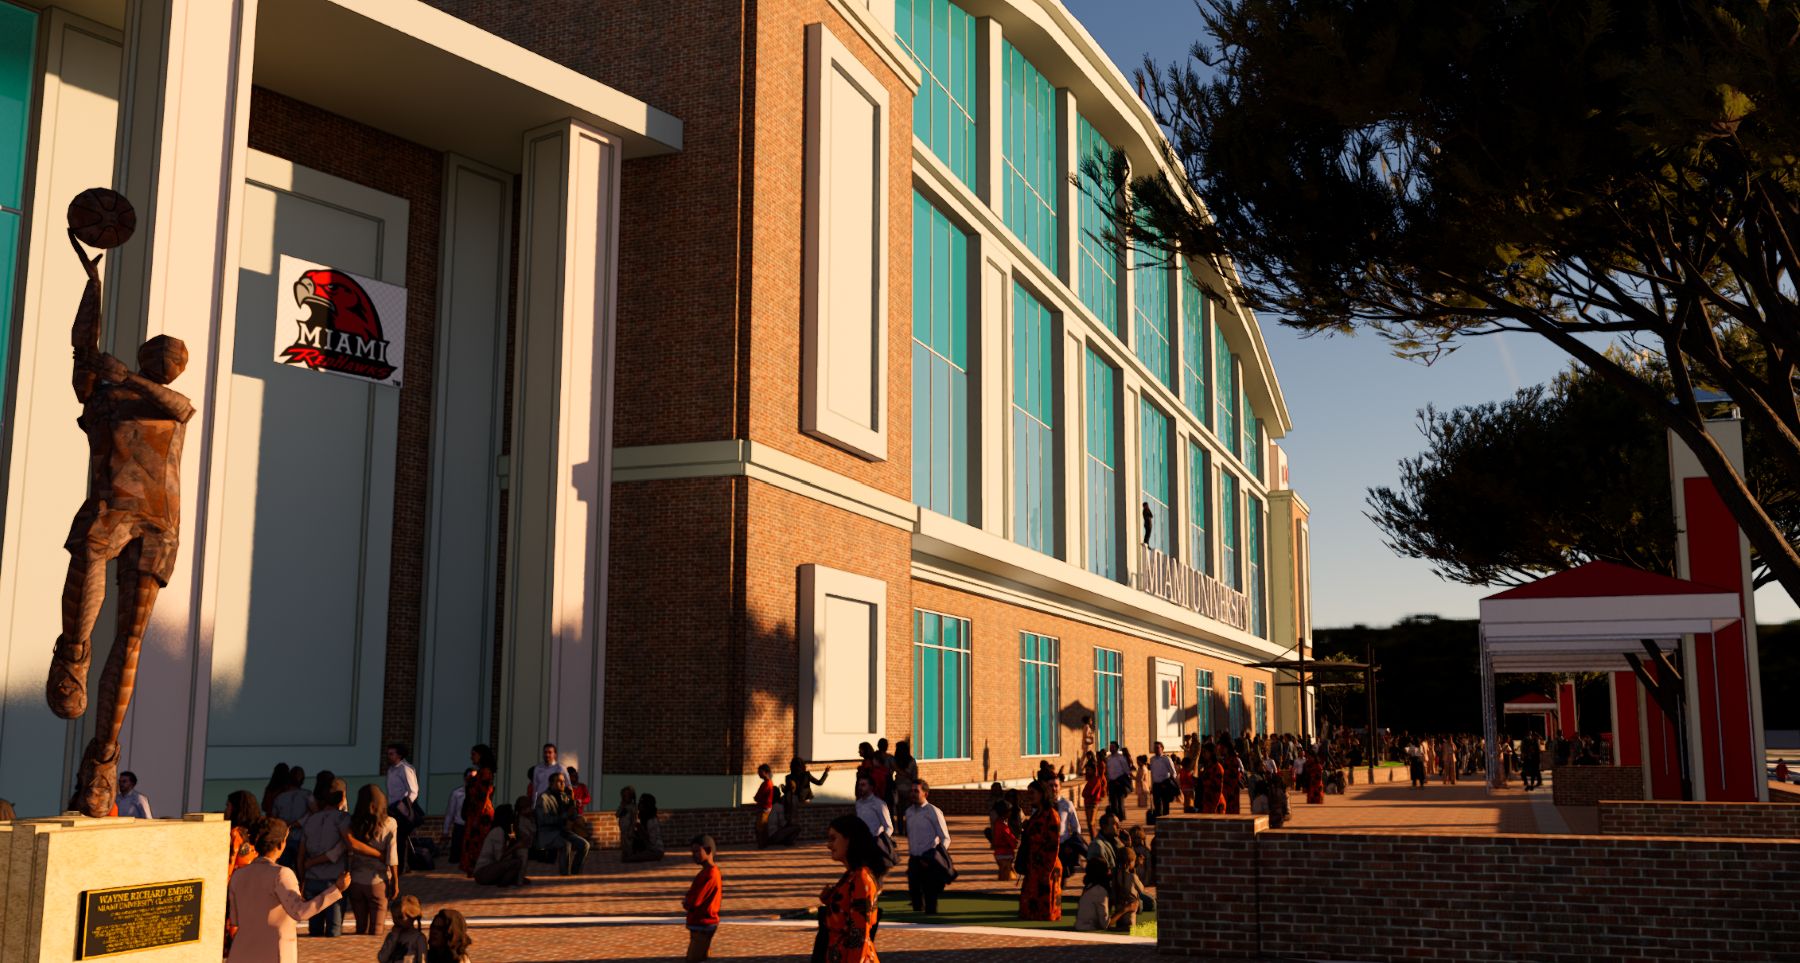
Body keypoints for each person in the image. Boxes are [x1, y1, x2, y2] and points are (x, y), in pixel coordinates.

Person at [225, 817, 349, 963]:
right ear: (281, 844)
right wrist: (336, 889)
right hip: (274, 952)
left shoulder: (238, 875)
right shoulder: (281, 874)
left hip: (241, 952)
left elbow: (235, 919)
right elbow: (300, 912)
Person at [817, 814, 882, 963]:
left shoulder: (861, 879)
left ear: (849, 840)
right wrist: (829, 900)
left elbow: (859, 935)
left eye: (833, 838)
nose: (828, 845)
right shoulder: (851, 876)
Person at [341, 784, 398, 936]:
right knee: (376, 930)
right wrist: (395, 882)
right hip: (378, 880)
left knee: (360, 928)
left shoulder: (351, 823)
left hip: (356, 880)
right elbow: (392, 856)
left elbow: (349, 845)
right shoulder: (390, 823)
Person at [294, 779, 349, 937]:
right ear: (342, 797)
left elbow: (301, 854)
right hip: (334, 880)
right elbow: (343, 847)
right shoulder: (343, 819)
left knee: (315, 931)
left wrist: (302, 878)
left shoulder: (311, 820)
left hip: (312, 878)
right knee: (334, 932)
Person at [1016, 779, 1062, 921]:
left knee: (1045, 905)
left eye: (1032, 793)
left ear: (1042, 794)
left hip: (1047, 865)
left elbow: (1054, 844)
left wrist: (1046, 871)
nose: (1029, 796)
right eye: (1028, 793)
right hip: (1033, 865)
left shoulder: (1051, 815)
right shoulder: (1037, 814)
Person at [901, 781, 950, 914]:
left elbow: (945, 838)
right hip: (914, 860)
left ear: (925, 793)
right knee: (915, 896)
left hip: (929, 860)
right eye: (911, 791)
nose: (912, 794)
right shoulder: (909, 812)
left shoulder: (933, 811)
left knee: (930, 898)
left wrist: (935, 856)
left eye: (916, 791)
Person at [535, 771, 590, 875]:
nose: (563, 784)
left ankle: (575, 873)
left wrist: (572, 800)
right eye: (559, 781)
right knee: (566, 844)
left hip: (561, 831)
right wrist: (565, 815)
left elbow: (572, 817)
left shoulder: (564, 796)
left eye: (564, 781)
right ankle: (564, 874)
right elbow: (544, 820)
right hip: (548, 832)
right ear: (551, 783)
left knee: (584, 845)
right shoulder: (544, 798)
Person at [682, 834, 722, 962]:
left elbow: (696, 900)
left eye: (697, 851)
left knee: (694, 958)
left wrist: (687, 902)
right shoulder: (707, 872)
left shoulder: (709, 874)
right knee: (701, 956)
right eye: (692, 852)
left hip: (703, 923)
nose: (694, 855)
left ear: (708, 851)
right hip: (701, 923)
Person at [460, 744, 496, 875]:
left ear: (481, 756)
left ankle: (478, 868)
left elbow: (483, 795)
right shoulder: (481, 772)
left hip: (481, 814)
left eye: (473, 754)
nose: (471, 757)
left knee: (478, 841)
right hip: (476, 812)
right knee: (473, 841)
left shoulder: (485, 772)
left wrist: (477, 817)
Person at [384, 744, 420, 875]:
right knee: (394, 838)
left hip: (401, 809)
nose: (389, 756)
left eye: (391, 753)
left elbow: (413, 791)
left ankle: (402, 867)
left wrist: (404, 806)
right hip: (392, 808)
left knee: (401, 838)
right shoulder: (391, 770)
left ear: (399, 755)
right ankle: (399, 865)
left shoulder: (405, 769)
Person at [473, 803, 529, 886]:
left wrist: (514, 829)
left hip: (492, 869)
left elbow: (513, 841)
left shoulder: (506, 830)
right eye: (511, 814)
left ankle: (513, 879)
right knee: (516, 862)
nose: (513, 816)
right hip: (483, 872)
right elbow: (499, 857)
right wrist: (516, 846)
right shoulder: (498, 831)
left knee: (520, 855)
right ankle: (505, 882)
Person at [376, 894, 427, 963]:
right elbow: (382, 958)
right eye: (394, 917)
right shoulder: (391, 936)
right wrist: (393, 938)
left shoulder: (418, 938)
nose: (396, 921)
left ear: (412, 917)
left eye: (400, 917)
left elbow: (422, 960)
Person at [622, 793, 665, 862]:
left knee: (628, 859)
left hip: (655, 851)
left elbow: (652, 841)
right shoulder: (644, 818)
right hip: (649, 849)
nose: (639, 805)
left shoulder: (651, 821)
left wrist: (641, 829)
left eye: (642, 803)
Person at [444, 767, 475, 859]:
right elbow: (450, 812)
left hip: (472, 827)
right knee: (456, 856)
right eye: (470, 777)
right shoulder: (457, 794)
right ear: (465, 778)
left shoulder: (478, 794)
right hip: (460, 827)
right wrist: (446, 830)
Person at [889, 741, 918, 831]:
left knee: (899, 811)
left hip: (898, 788)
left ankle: (900, 829)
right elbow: (915, 776)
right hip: (909, 789)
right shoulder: (912, 761)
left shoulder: (895, 761)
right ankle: (908, 830)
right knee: (909, 811)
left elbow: (890, 773)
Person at [989, 793, 1018, 881]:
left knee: (1002, 869)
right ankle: (1003, 881)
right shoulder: (1003, 826)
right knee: (1006, 870)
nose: (1011, 813)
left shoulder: (997, 823)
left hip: (999, 851)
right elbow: (1009, 837)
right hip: (1005, 852)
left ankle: (1002, 879)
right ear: (1005, 813)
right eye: (1009, 811)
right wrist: (1015, 842)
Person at [1146, 742, 1177, 821]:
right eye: (1155, 748)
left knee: (1165, 804)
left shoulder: (1166, 759)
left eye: (1158, 747)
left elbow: (1174, 773)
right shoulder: (1152, 759)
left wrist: (1168, 783)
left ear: (1162, 748)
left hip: (1164, 784)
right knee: (1157, 805)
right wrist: (1152, 786)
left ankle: (1166, 821)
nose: (1156, 749)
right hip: (1156, 785)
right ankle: (1159, 821)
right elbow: (1152, 774)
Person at [1102, 743, 1132, 820]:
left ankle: (1121, 817)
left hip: (1119, 782)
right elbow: (1107, 771)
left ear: (1117, 748)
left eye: (1112, 747)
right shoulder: (1108, 758)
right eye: (1110, 747)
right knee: (1113, 801)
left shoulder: (1121, 758)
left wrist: (1127, 780)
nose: (1111, 748)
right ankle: (1115, 817)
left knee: (1120, 800)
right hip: (1111, 782)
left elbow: (1126, 770)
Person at [752, 764, 777, 847]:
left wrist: (756, 798)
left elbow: (758, 796)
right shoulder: (768, 783)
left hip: (764, 808)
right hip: (766, 807)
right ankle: (763, 843)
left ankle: (762, 844)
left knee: (760, 827)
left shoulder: (766, 784)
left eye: (760, 772)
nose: (758, 773)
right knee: (763, 827)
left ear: (765, 772)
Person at [1081, 753, 1105, 834]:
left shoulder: (1095, 780)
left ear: (1093, 770)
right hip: (1088, 803)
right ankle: (1093, 839)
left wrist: (1085, 793)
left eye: (1088, 770)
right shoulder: (1090, 780)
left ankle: (1094, 839)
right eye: (1086, 770)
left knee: (1091, 823)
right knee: (1090, 824)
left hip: (1093, 804)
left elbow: (1088, 793)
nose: (1086, 771)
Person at [1221, 743, 1244, 815]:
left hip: (1232, 789)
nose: (1221, 750)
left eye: (1223, 748)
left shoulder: (1232, 760)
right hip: (1227, 789)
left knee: (1232, 811)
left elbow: (1235, 775)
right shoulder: (1226, 759)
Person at [616, 785, 639, 853]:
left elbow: (634, 819)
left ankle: (630, 855)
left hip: (629, 829)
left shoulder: (633, 807)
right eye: (624, 796)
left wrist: (631, 829)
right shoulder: (622, 805)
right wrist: (622, 807)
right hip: (623, 829)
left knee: (629, 843)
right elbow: (617, 814)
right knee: (623, 843)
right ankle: (625, 854)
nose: (625, 797)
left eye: (627, 795)